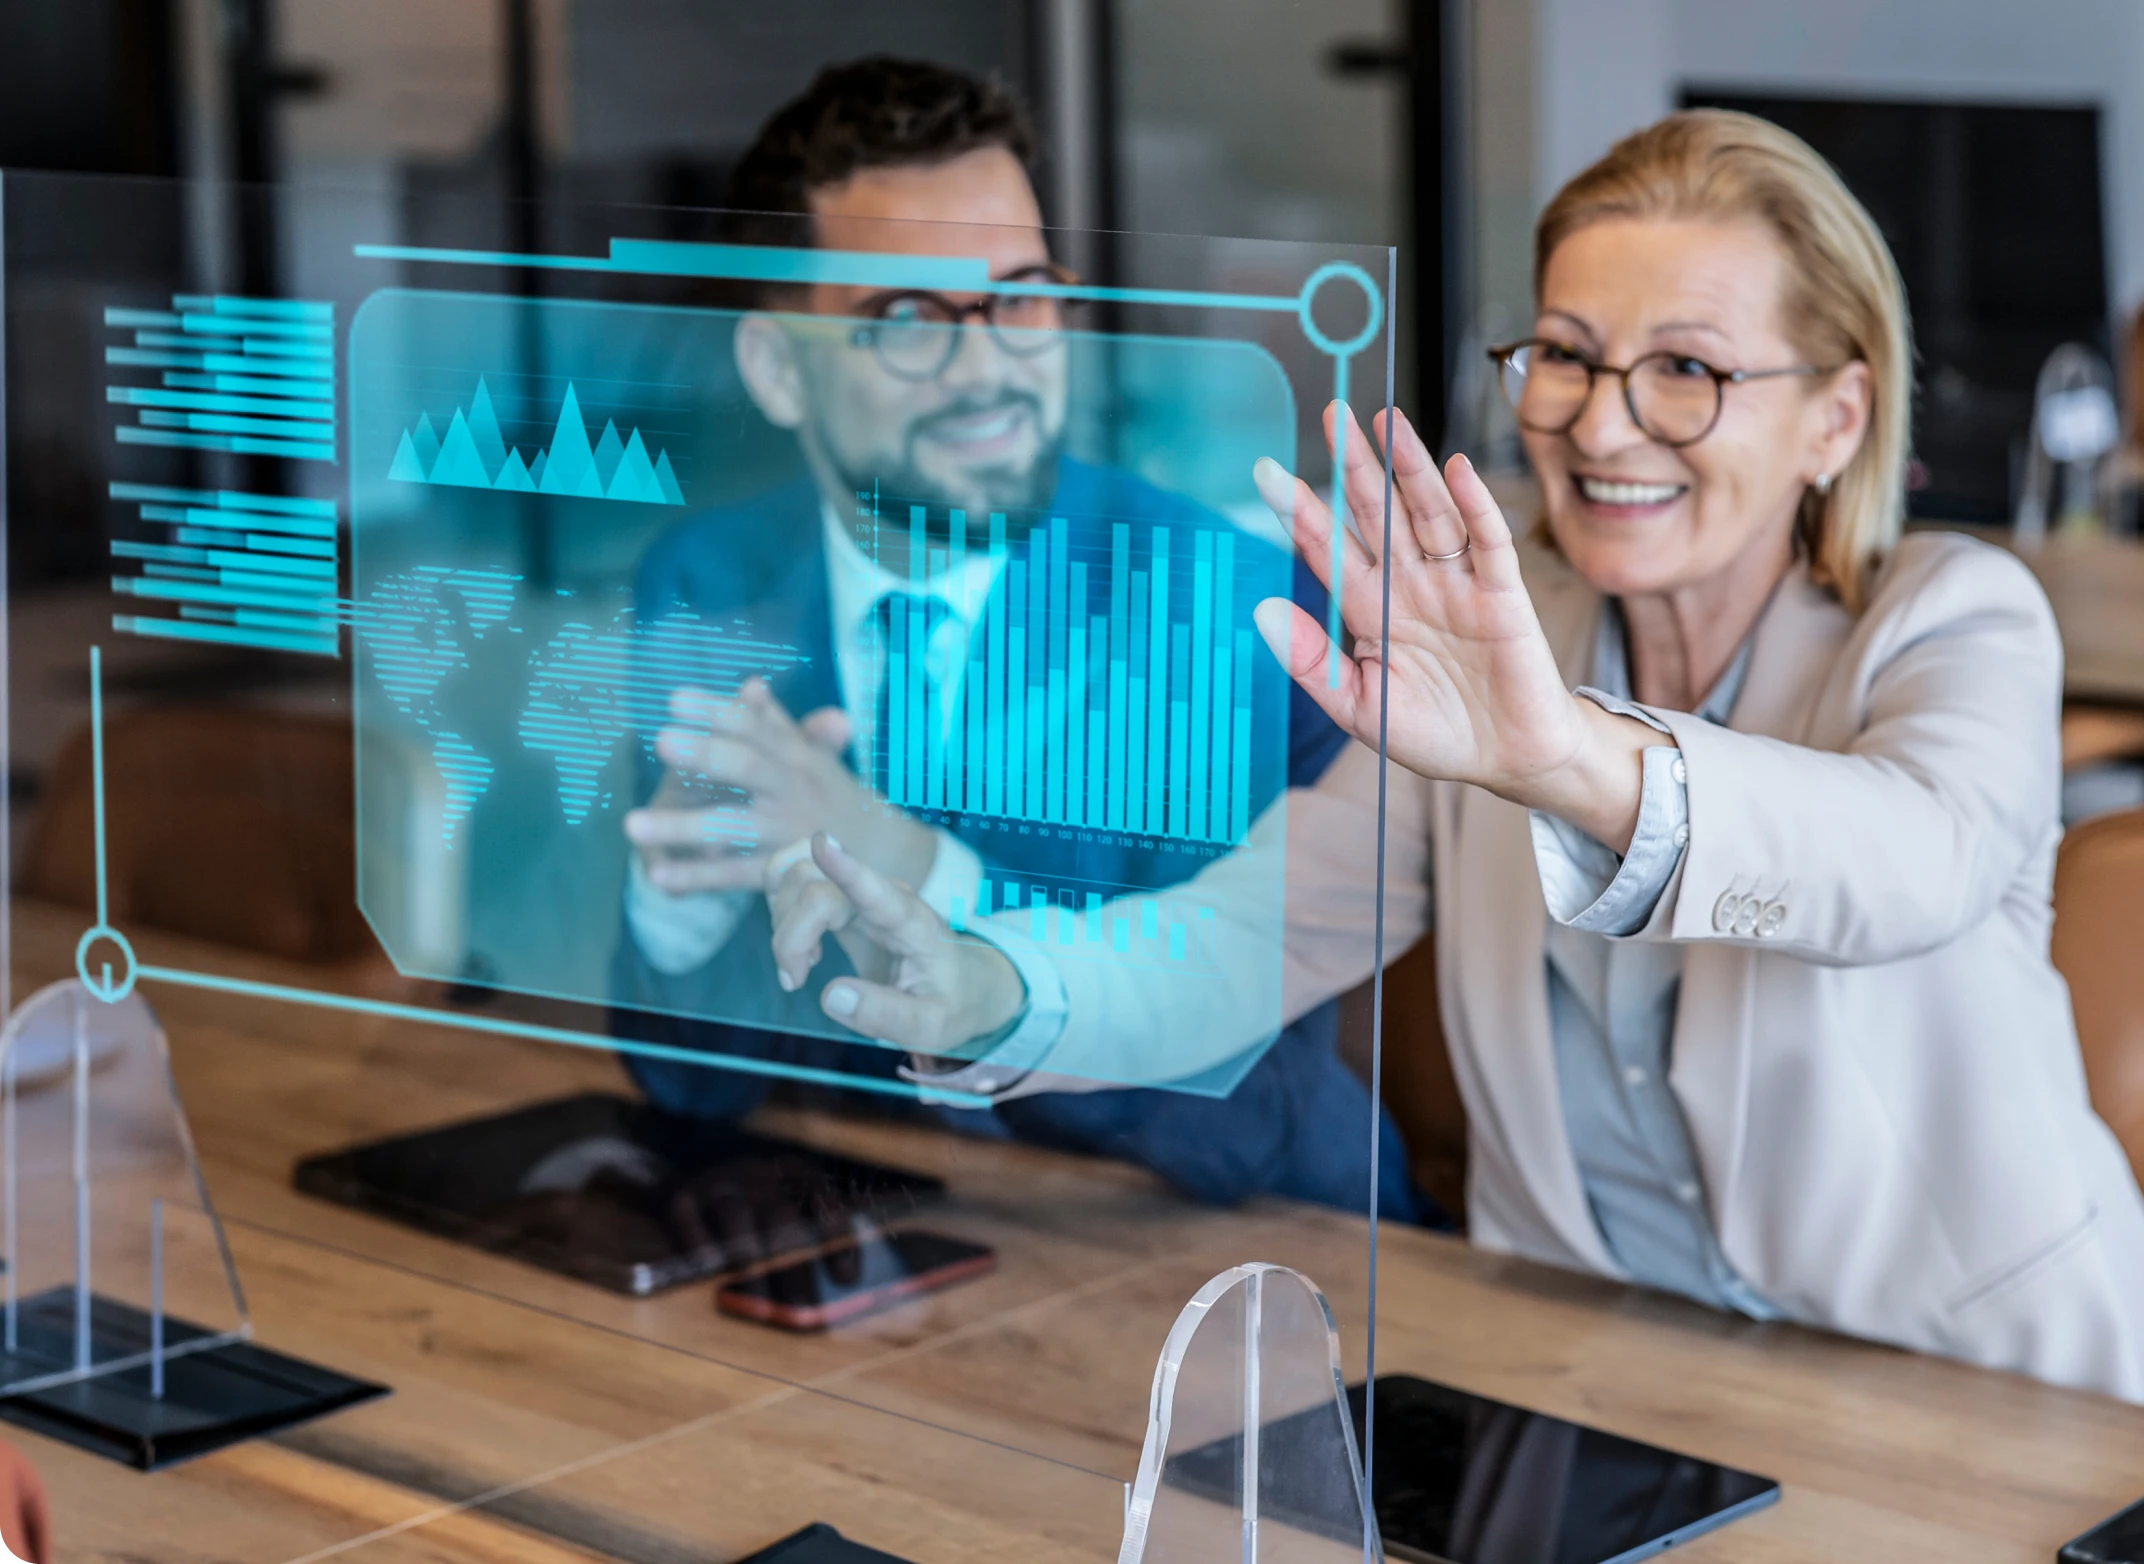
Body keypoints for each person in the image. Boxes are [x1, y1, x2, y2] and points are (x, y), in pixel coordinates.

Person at [765, 109, 2144, 1399]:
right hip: (1599, 1378)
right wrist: (997, 989)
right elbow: (1251, 933)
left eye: (1685, 369)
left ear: (1836, 418)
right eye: (1567, 355)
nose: (1598, 424)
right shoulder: (1504, 639)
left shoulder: (1953, 614)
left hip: (1977, 1395)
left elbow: (1913, 862)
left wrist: (1564, 756)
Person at [609, 56, 1424, 1220]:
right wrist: (681, 896)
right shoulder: (703, 581)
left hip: (1233, 1257)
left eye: (1023, 296)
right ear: (778, 368)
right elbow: (687, 1084)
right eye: (906, 318)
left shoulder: (1232, 603)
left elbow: (1246, 1116)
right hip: (878, 1239)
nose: (989, 366)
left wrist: (905, 867)